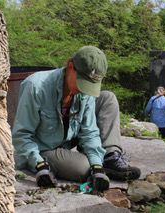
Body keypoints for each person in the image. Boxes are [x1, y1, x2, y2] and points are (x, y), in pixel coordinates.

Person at [12, 46, 141, 193]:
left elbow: (89, 131)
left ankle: (109, 158)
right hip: (45, 147)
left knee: (108, 98)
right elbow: (22, 134)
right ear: (71, 67)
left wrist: (97, 166)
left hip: (69, 136)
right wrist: (39, 164)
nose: (85, 89)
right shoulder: (36, 86)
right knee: (83, 168)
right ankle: (91, 165)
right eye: (83, 82)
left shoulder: (85, 92)